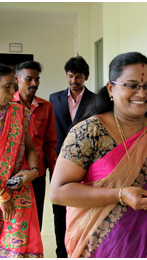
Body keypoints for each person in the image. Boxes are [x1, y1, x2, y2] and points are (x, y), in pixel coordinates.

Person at [49, 52, 147, 258]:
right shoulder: (88, 131)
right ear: (111, 88)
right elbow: (58, 192)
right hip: (102, 246)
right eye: (132, 85)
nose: (141, 93)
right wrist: (119, 195)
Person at [0, 64, 43, 257]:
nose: (13, 92)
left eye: (13, 86)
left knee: (20, 248)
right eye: (7, 87)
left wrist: (33, 171)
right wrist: (2, 195)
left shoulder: (18, 113)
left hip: (19, 191)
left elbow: (30, 149)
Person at [49, 56, 97, 258]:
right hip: (59, 162)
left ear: (86, 77)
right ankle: (62, 252)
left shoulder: (96, 100)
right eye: (70, 76)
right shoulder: (54, 98)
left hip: (87, 164)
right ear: (66, 75)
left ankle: (83, 249)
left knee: (83, 207)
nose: (74, 80)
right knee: (59, 210)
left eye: (78, 76)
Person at [13, 61, 57, 231]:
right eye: (29, 79)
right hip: (12, 175)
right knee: (14, 223)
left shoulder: (46, 107)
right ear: (17, 79)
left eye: (37, 80)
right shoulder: (7, 106)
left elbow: (50, 143)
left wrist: (55, 171)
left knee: (35, 220)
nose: (34, 84)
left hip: (37, 175)